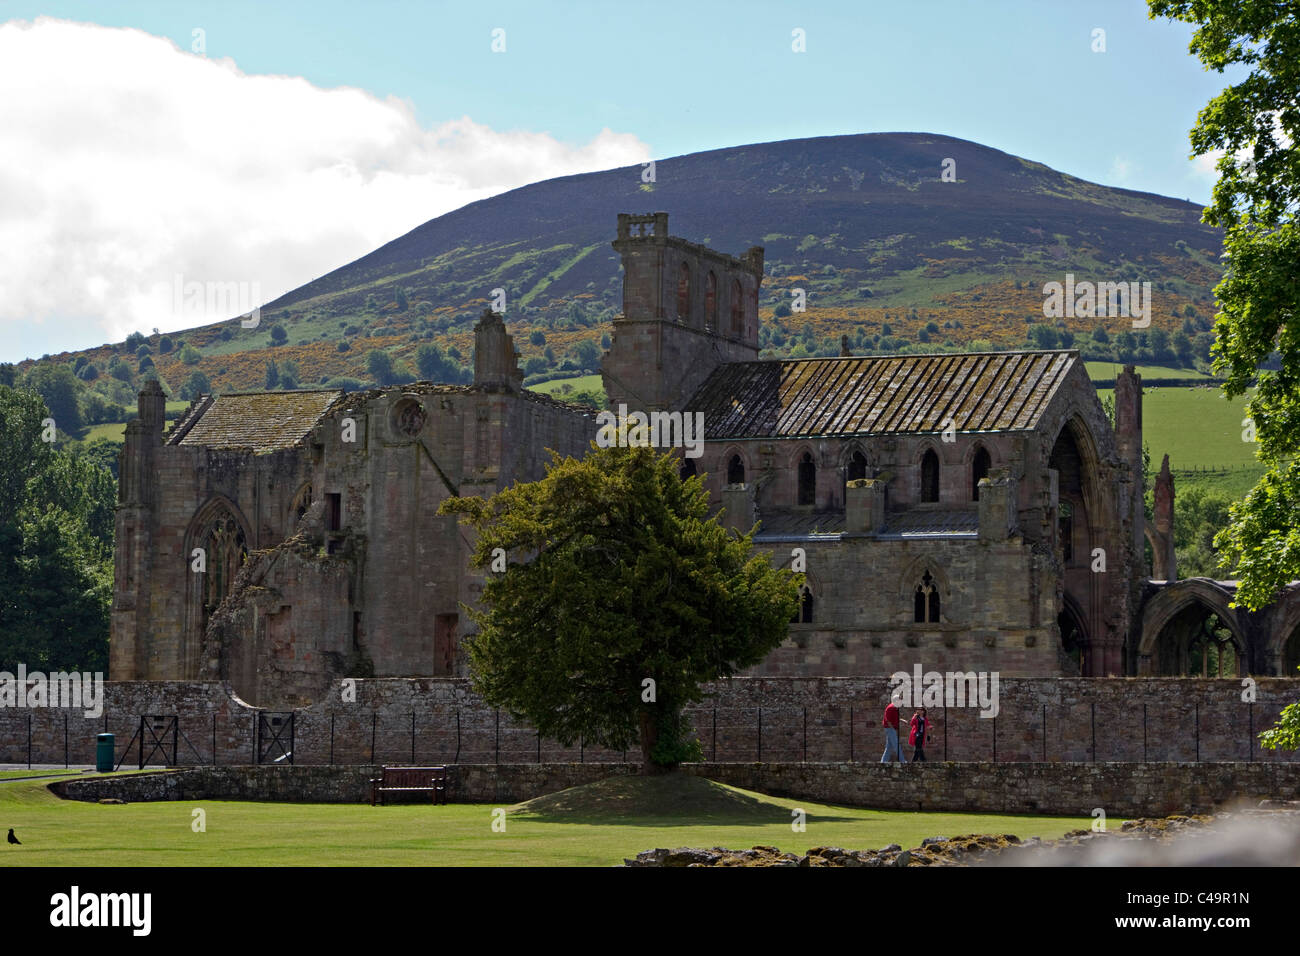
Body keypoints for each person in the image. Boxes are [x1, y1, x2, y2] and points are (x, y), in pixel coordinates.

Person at [881, 693, 907, 763]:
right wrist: (893, 729)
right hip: (890, 729)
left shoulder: (895, 708)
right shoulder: (891, 707)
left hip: (890, 728)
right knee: (896, 745)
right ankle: (903, 761)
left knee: (889, 747)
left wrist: (901, 720)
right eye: (900, 700)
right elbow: (888, 720)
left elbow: (894, 718)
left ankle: (883, 762)